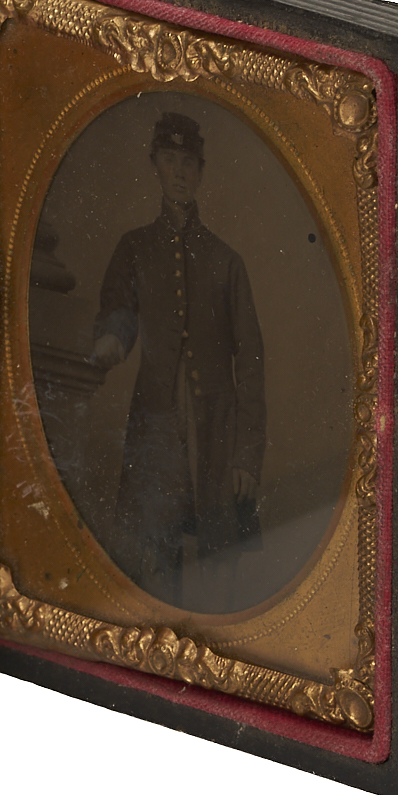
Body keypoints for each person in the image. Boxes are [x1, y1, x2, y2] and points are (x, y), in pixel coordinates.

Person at [91, 112, 265, 608]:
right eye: (170, 160)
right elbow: (118, 309)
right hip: (157, 429)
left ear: (201, 170)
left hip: (215, 433)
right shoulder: (135, 248)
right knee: (154, 554)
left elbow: (251, 362)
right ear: (155, 165)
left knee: (218, 568)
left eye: (188, 162)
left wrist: (246, 457)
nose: (180, 172)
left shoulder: (226, 262)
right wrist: (112, 339)